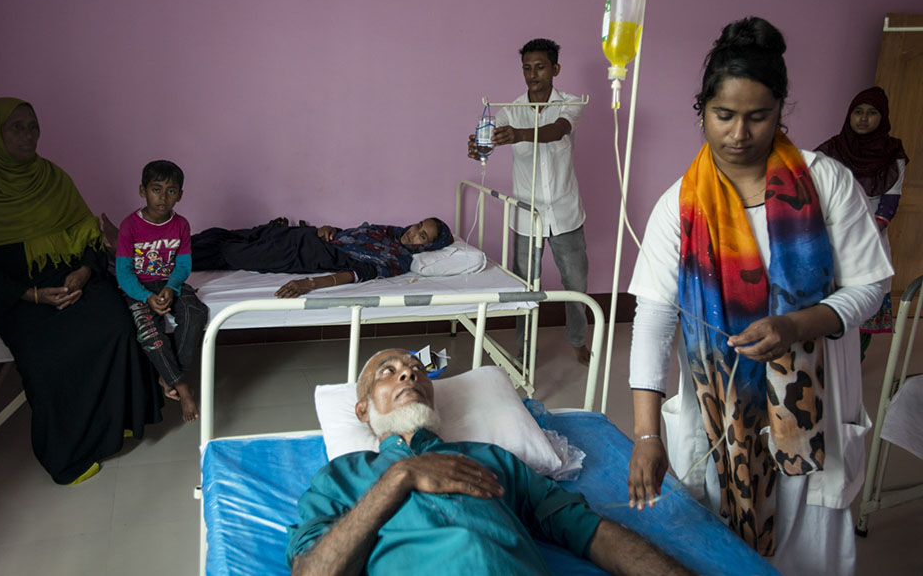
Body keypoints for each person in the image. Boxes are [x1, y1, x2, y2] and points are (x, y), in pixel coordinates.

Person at [624, 17, 892, 576]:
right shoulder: (679, 206)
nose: (738, 134)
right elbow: (653, 317)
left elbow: (872, 285)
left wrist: (798, 326)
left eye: (758, 116)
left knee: (811, 547)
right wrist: (647, 436)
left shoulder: (826, 183)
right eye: (723, 116)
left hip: (810, 411)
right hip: (722, 414)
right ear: (701, 110)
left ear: (781, 110)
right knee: (724, 547)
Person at [287, 348, 694, 576]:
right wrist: (399, 478)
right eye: (388, 372)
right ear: (362, 411)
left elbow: (590, 532)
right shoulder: (340, 478)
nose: (409, 375)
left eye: (416, 371)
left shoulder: (491, 458)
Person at [0, 98, 164, 485]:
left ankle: (120, 423)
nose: (28, 135)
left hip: (70, 280)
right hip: (17, 296)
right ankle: (69, 454)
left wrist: (82, 271)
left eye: (33, 126)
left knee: (117, 321)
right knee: (48, 354)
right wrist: (31, 295)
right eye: (17, 128)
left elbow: (87, 233)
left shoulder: (52, 179)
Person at [467, 38, 591, 365]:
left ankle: (578, 340)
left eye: (539, 67)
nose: (532, 74)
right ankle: (525, 351)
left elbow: (558, 130)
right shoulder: (510, 111)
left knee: (576, 284)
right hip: (525, 216)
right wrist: (480, 145)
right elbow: (489, 141)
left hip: (565, 213)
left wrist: (520, 135)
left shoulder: (571, 104)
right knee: (525, 289)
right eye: (527, 68)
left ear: (555, 69)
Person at [815, 86, 909, 357]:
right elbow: (813, 191)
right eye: (858, 112)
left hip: (870, 234)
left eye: (872, 113)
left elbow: (890, 202)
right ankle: (827, 356)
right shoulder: (830, 149)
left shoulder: (893, 154)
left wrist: (861, 234)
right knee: (829, 295)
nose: (863, 118)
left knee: (866, 293)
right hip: (830, 233)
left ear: (883, 117)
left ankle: (856, 357)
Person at [115, 160, 208, 422]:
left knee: (195, 313)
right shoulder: (129, 226)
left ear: (180, 195)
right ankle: (181, 385)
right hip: (139, 288)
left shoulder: (181, 225)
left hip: (170, 283)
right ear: (142, 190)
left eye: (171, 191)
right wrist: (146, 296)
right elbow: (123, 273)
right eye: (156, 189)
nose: (163, 197)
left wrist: (170, 286)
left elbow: (183, 264)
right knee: (149, 333)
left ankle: (169, 375)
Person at [191, 217, 453, 298]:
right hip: (300, 235)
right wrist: (329, 229)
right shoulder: (387, 233)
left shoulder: (398, 260)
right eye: (418, 225)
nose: (413, 233)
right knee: (219, 235)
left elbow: (357, 274)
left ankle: (162, 263)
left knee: (226, 252)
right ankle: (159, 247)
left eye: (422, 236)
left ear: (427, 248)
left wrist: (310, 283)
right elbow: (352, 237)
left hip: (298, 254)